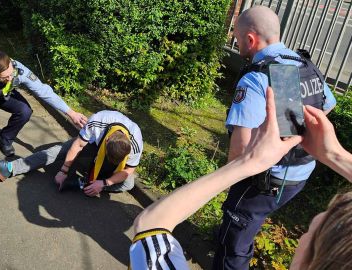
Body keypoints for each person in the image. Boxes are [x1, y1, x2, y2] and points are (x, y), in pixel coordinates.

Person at [129, 87, 352, 270]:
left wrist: (250, 161)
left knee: (235, 240)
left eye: (310, 231)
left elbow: (150, 224)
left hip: (259, 183)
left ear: (309, 262)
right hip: (291, 184)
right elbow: (329, 102)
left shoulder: (254, 78)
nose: (308, 229)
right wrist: (336, 155)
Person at [215, 6, 336, 269]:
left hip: (265, 178)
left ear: (250, 39)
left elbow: (240, 149)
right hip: (301, 173)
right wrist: (297, 131)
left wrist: (226, 181)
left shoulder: (259, 76)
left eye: (236, 38)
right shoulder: (304, 64)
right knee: (250, 224)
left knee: (234, 240)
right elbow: (328, 104)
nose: (236, 43)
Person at [0, 50, 87, 156]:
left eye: (11, 73)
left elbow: (43, 90)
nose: (11, 78)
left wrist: (71, 113)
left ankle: (5, 139)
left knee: (25, 111)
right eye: (6, 77)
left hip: (4, 96)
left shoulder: (18, 69)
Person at [0, 110, 143, 196]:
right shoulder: (98, 121)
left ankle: (82, 184)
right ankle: (10, 168)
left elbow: (128, 170)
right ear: (107, 140)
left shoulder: (136, 143)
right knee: (57, 151)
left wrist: (103, 183)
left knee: (128, 183)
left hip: (114, 160)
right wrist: (63, 171)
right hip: (94, 145)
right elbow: (78, 145)